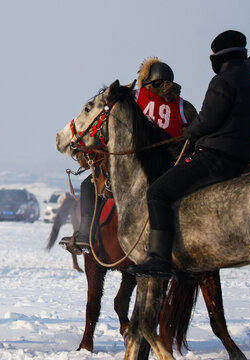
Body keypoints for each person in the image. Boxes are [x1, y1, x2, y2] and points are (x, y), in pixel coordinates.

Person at [128, 30, 250, 279]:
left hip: (216, 157)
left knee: (158, 192)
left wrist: (189, 132)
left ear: (219, 57)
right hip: (243, 158)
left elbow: (208, 121)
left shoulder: (223, 81)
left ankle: (159, 259)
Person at [59, 58, 197, 252]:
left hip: (135, 167)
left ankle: (85, 235)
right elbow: (194, 137)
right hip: (170, 168)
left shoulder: (134, 97)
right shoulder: (185, 106)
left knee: (89, 186)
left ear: (147, 80)